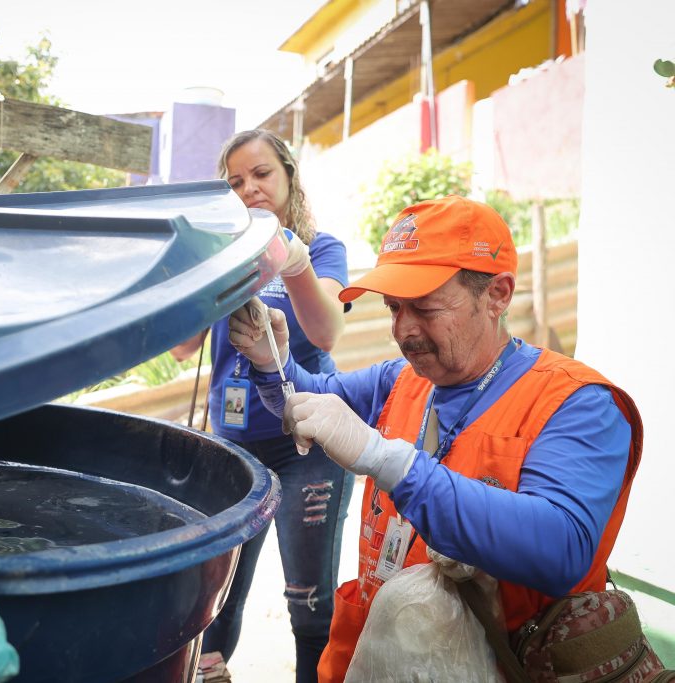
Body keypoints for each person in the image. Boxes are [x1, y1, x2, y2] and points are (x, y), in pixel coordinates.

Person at [228, 195, 643, 682]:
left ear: (497, 295)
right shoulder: (403, 379)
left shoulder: (577, 404)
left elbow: (562, 550)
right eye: (394, 307)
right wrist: (269, 357)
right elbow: (310, 402)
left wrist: (391, 462)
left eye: (424, 307)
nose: (403, 331)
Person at [171, 129, 354, 682]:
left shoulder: (321, 250)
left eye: (262, 174)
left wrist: (291, 264)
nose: (249, 188)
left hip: (309, 448)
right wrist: (195, 271)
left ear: (289, 176)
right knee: (216, 599)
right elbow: (182, 349)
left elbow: (326, 333)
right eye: (235, 182)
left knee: (309, 601)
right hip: (232, 447)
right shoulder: (221, 256)